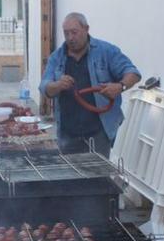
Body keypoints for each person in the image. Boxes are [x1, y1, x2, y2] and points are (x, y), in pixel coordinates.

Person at [39, 12, 141, 157]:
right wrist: (57, 85)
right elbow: (44, 87)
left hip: (99, 132)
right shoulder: (57, 57)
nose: (70, 38)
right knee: (69, 177)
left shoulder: (106, 51)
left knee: (98, 176)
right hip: (68, 133)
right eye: (66, 33)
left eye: (74, 32)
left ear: (86, 29)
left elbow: (133, 73)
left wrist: (120, 86)